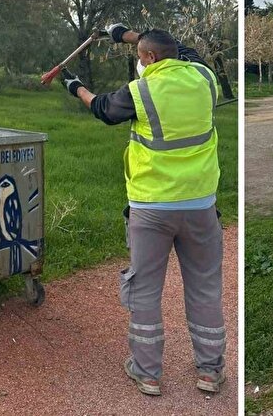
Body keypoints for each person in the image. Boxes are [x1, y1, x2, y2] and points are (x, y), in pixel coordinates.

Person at [60, 24, 226, 396]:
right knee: (204, 288)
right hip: (200, 204)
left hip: (151, 207)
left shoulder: (141, 91)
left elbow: (102, 108)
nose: (140, 62)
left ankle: (148, 372)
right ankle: (210, 372)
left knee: (146, 289)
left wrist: (75, 87)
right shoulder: (204, 77)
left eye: (141, 57)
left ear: (149, 58)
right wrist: (128, 34)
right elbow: (182, 48)